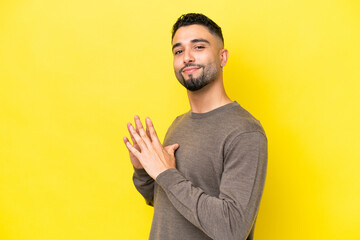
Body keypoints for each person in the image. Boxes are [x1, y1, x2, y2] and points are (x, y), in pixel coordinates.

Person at [123, 13, 268, 240]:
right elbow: (163, 200)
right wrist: (144, 171)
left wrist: (165, 172)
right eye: (178, 51)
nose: (187, 58)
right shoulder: (179, 124)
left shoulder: (245, 132)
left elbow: (232, 229)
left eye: (198, 47)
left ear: (222, 57)